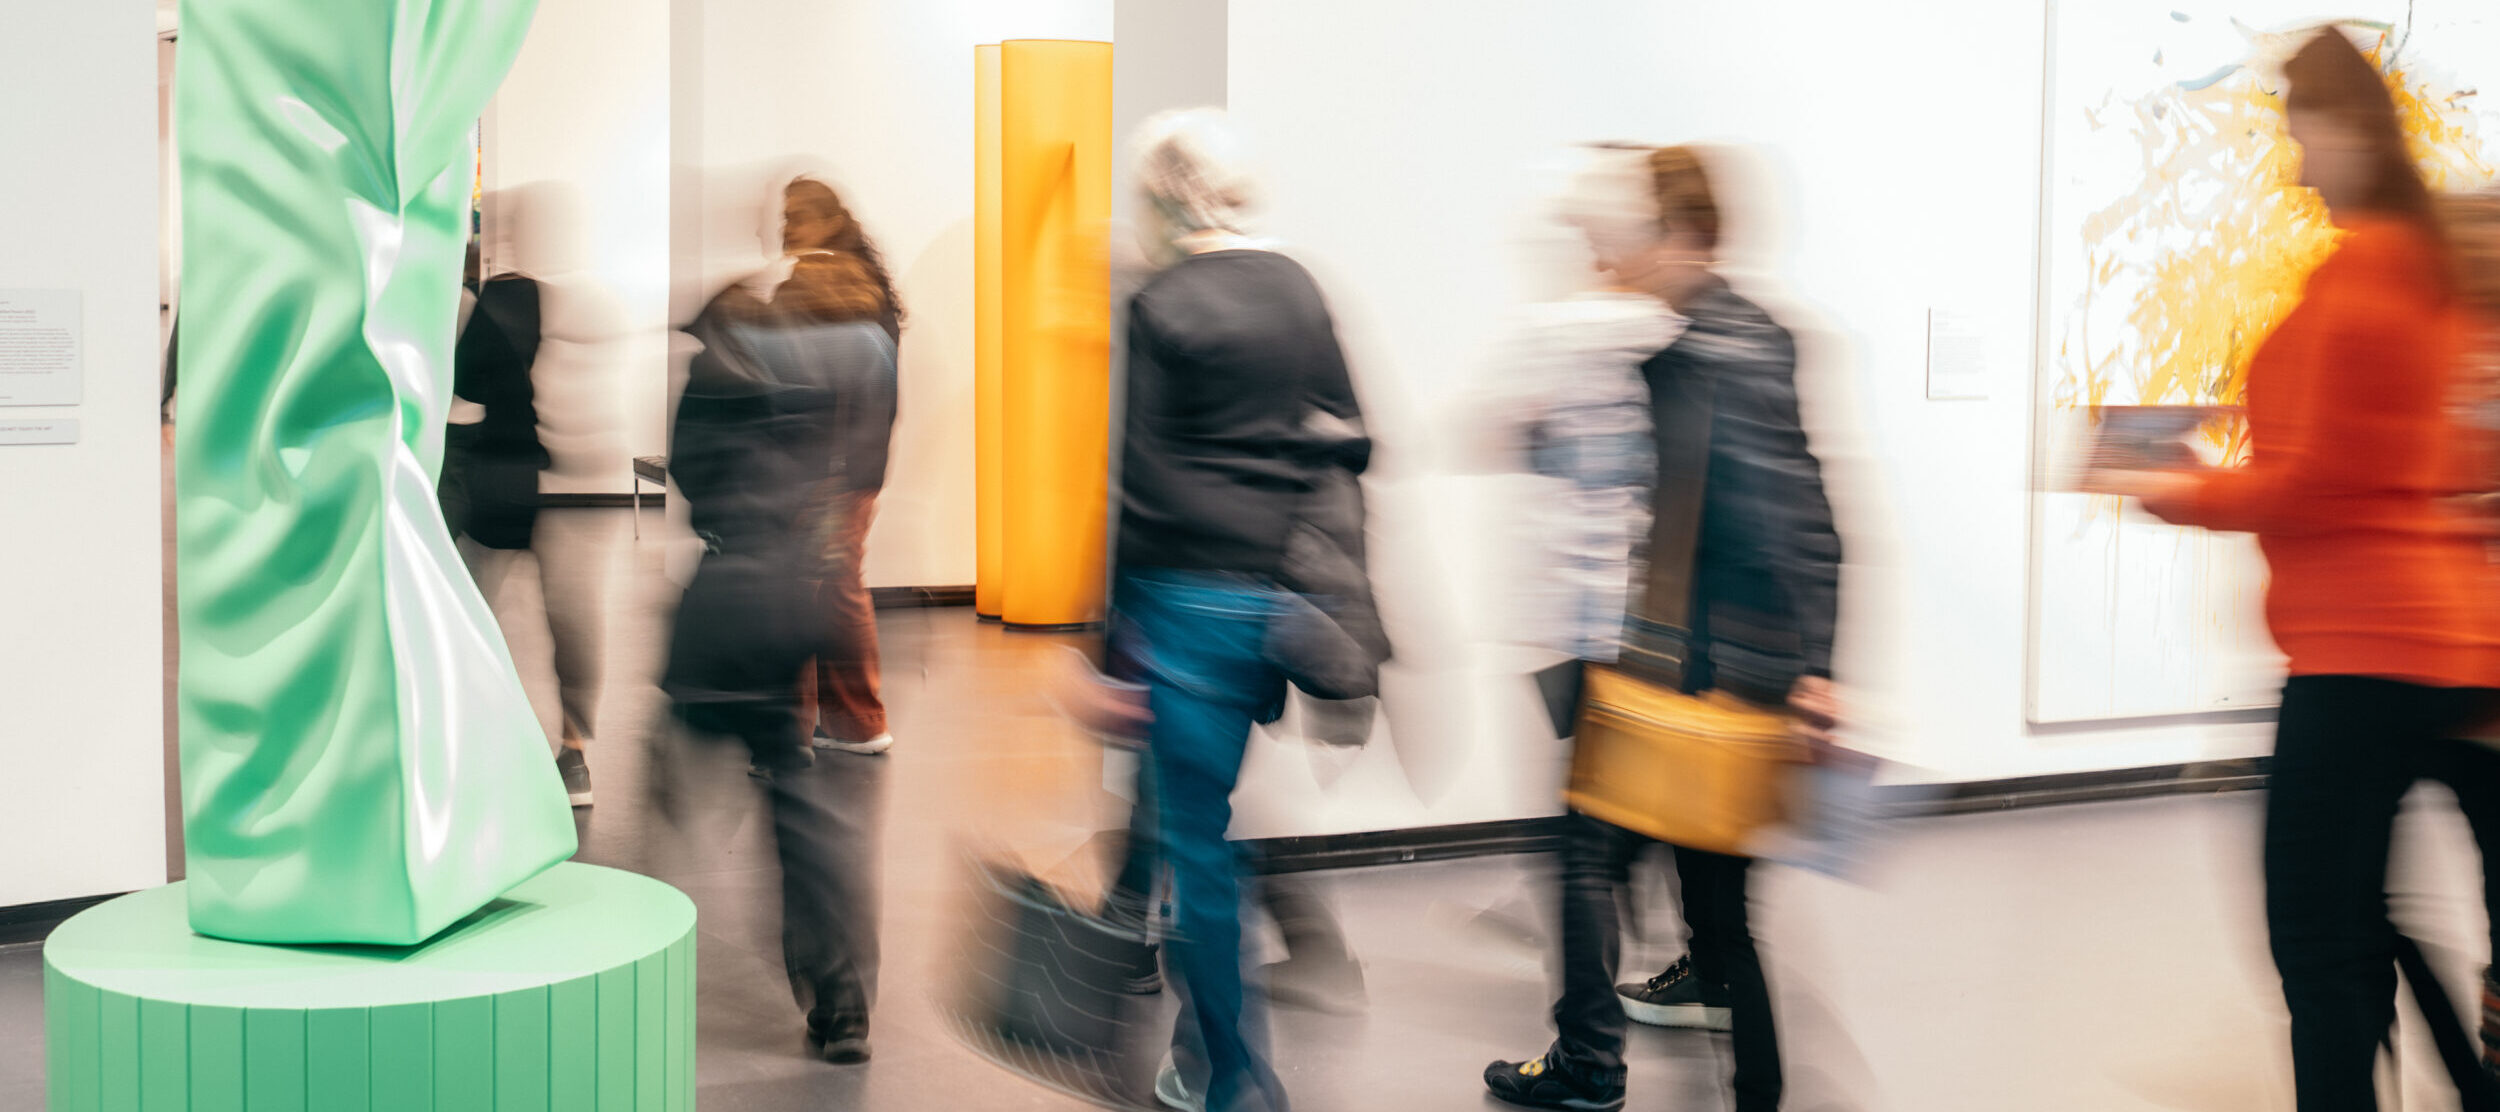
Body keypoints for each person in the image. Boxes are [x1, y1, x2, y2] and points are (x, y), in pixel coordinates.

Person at [2097, 28, 2500, 1110]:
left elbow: (2309, 483)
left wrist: (2172, 485)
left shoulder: (2365, 273)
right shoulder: (2431, 273)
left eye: (2298, 133)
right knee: (2363, 924)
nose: (2293, 160)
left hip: (2358, 658)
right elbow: (2411, 452)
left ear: (2346, 127)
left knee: (2320, 944)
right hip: (2449, 646)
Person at [1484, 144, 1841, 1112]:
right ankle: (1752, 1091)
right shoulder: (1766, 332)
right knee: (1724, 914)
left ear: (1680, 235)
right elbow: (1815, 515)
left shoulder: (1687, 358)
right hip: (1746, 668)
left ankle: (1589, 1064)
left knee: (1587, 857)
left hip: (1689, 671)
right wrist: (1814, 665)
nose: (1624, 252)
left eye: (1638, 233)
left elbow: (1748, 516)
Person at [1108, 106, 1365, 1112]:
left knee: (1195, 851)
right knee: (1203, 823)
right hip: (1277, 604)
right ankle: (1203, 1051)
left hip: (1184, 607)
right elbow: (1347, 440)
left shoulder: (1160, 302)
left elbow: (1132, 487)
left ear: (1164, 197)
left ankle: (1234, 1078)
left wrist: (1104, 652)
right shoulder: (1301, 288)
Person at [663, 247, 899, 1063]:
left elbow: (690, 477)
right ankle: (842, 1001)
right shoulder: (807, 383)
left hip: (729, 592)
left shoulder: (712, 381)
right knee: (799, 798)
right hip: (798, 595)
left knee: (700, 767)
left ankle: (652, 916)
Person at [772, 176, 903, 757]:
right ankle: (845, 722)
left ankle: (830, 725)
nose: (786, 227)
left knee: (819, 589)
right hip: (849, 466)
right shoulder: (867, 285)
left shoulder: (816, 288)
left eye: (797, 215)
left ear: (828, 221)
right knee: (832, 587)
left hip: (824, 469)